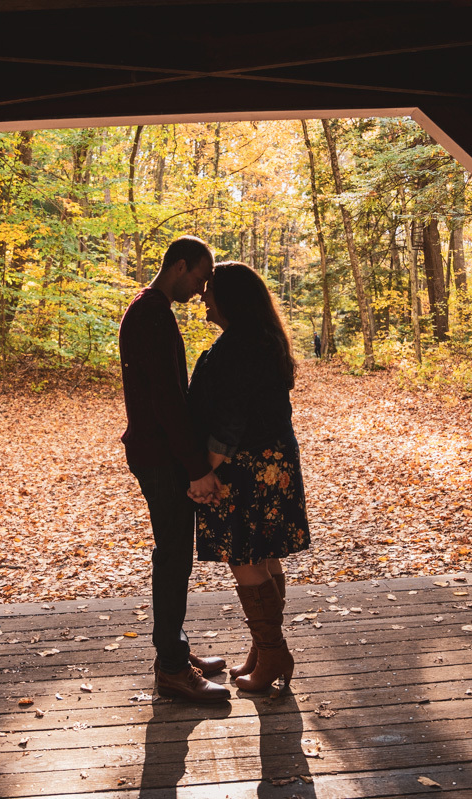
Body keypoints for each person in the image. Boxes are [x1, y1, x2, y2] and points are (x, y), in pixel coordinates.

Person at [188, 261, 311, 692]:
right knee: (265, 553)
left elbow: (229, 424)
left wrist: (203, 473)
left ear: (230, 299)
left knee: (244, 557)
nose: (203, 296)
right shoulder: (264, 340)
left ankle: (273, 653)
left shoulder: (235, 349)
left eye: (210, 290)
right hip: (274, 464)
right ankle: (265, 649)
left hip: (245, 469)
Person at [118, 235, 230, 703]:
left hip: (158, 452)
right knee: (173, 558)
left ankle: (175, 650)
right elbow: (167, 400)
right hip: (160, 456)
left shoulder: (148, 309)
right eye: (200, 278)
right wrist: (196, 468)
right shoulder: (152, 314)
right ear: (180, 266)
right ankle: (171, 668)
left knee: (174, 556)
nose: (202, 290)